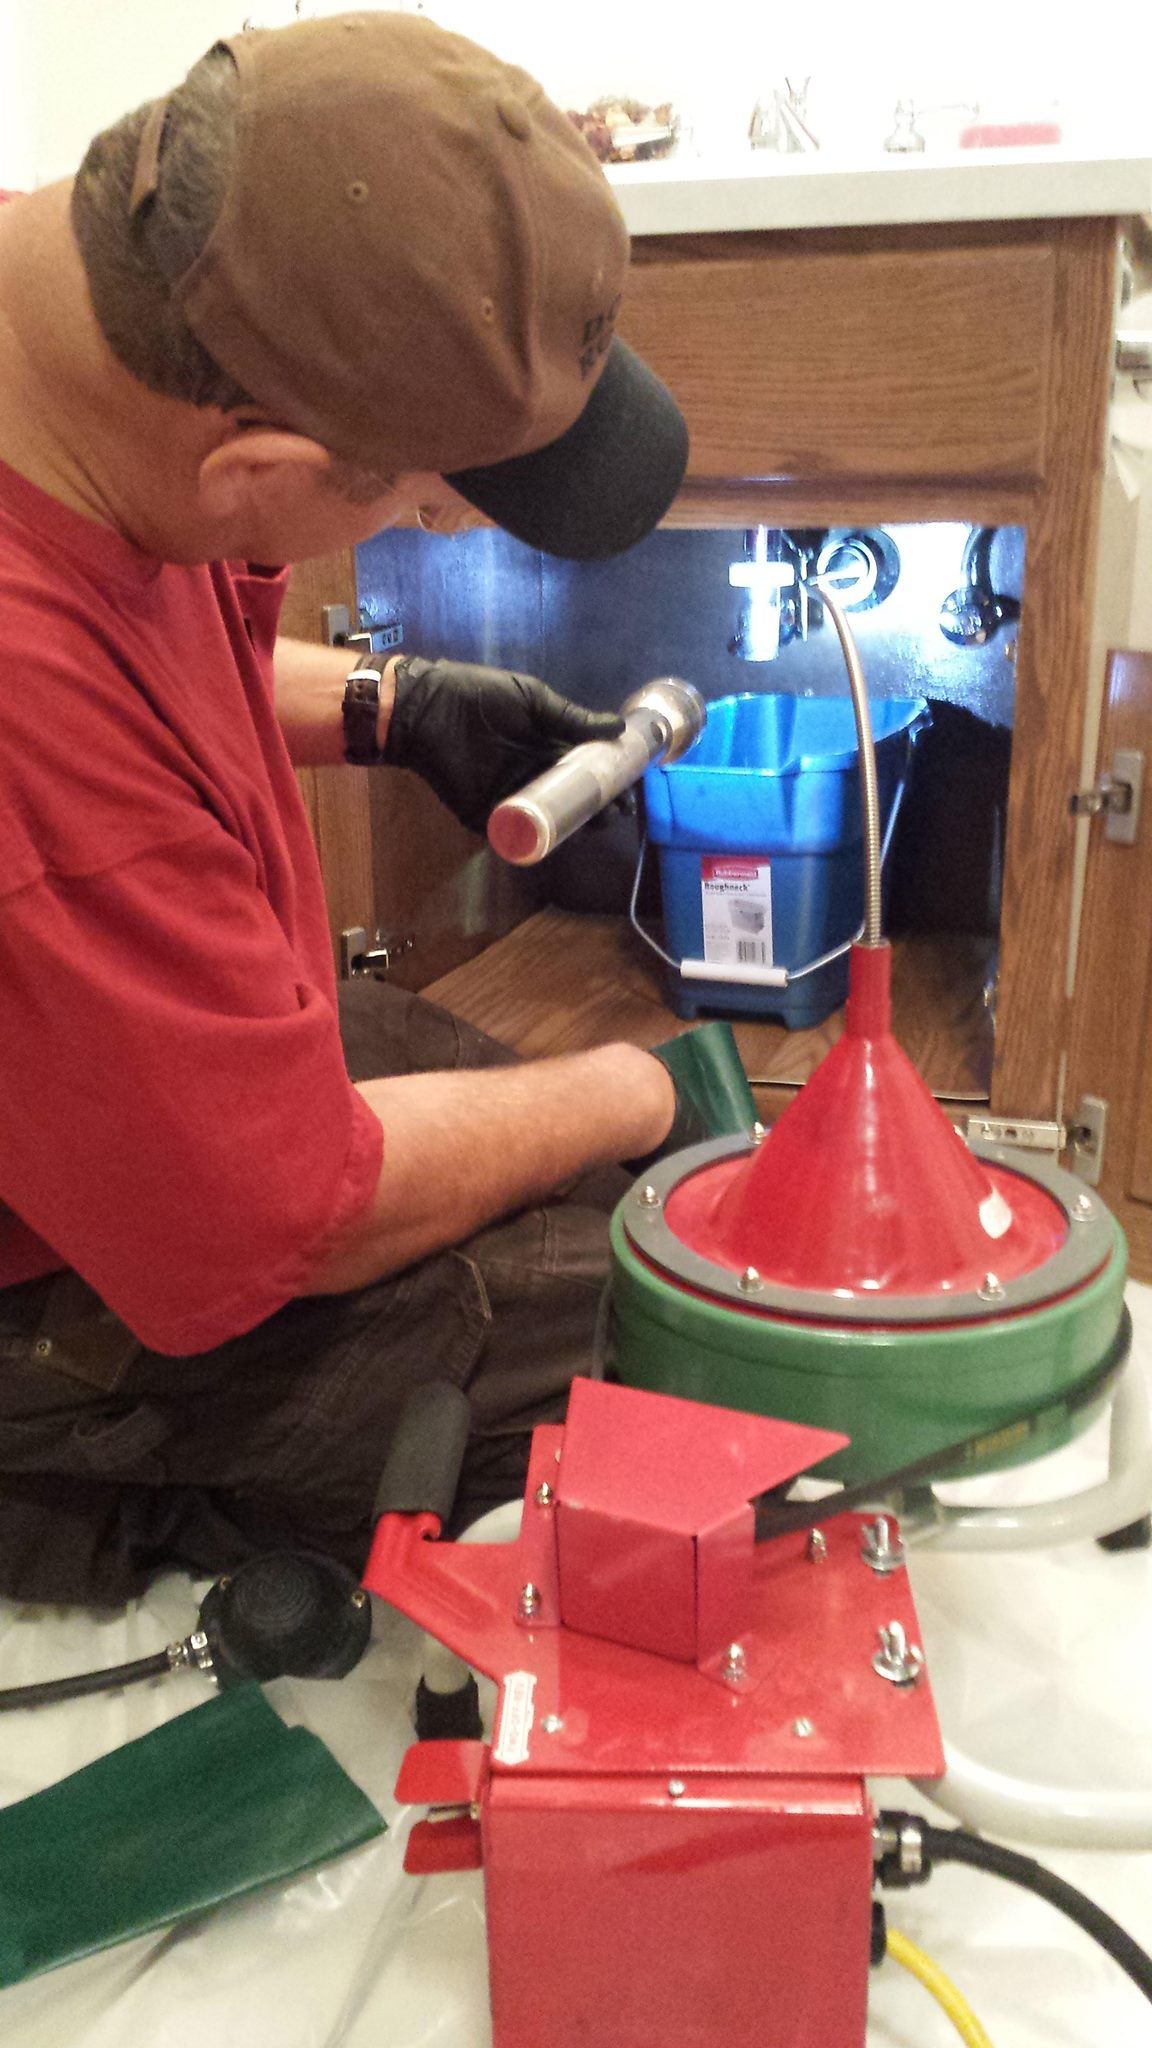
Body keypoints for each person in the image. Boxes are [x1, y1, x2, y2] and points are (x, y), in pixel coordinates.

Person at [0, 13, 694, 1605]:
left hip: (104, 1041)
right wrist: (636, 1094)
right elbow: (284, 1220)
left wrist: (398, 706)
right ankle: (96, 1498)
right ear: (252, 465)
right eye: (420, 488)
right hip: (70, 1277)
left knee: (564, 1151)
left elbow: (144, 658)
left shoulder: (77, 320)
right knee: (689, 1333)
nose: (440, 515)